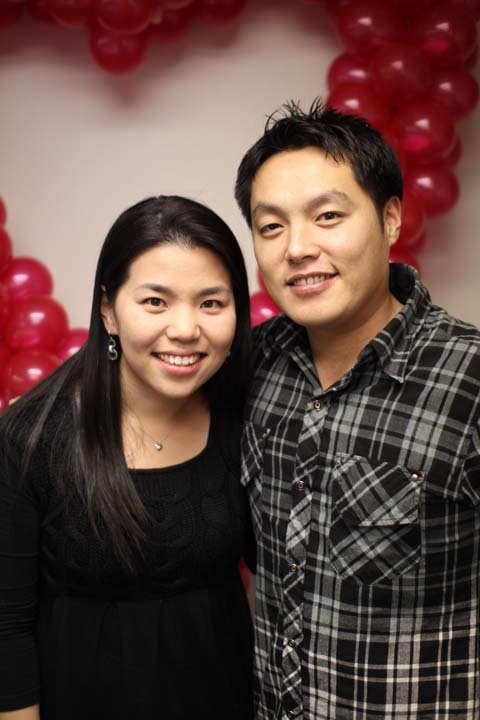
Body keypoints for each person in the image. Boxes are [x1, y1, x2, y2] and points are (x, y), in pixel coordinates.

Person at [234, 99, 480, 720]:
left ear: (390, 218)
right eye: (271, 227)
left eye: (328, 216)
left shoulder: (469, 378)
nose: (298, 248)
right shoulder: (249, 365)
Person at [0, 195, 255, 720]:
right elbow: (7, 625)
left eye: (211, 303)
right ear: (108, 309)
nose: (185, 329)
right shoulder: (30, 436)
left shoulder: (247, 415)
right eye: (155, 301)